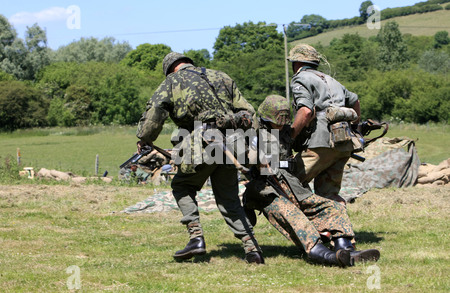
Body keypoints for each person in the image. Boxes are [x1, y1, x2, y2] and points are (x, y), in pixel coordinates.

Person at [136, 52, 264, 264]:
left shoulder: (172, 81)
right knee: (229, 199)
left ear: (170, 69)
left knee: (182, 187)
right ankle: (252, 249)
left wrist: (144, 138)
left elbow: (155, 111)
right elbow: (248, 112)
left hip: (201, 144)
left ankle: (196, 238)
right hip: (231, 144)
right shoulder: (221, 76)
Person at [243, 95, 379, 267]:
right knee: (293, 215)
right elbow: (243, 158)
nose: (281, 125)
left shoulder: (286, 133)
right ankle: (324, 255)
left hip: (292, 184)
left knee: (331, 207)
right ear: (265, 118)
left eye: (283, 121)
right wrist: (255, 158)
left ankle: (346, 249)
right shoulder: (254, 135)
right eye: (277, 122)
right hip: (265, 189)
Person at [288, 44, 362, 205]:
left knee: (289, 182)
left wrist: (291, 135)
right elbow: (355, 100)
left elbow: (306, 111)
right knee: (330, 194)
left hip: (320, 143)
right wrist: (355, 128)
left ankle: (304, 227)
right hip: (344, 142)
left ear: (297, 63)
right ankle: (338, 228)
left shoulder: (300, 79)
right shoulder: (331, 79)